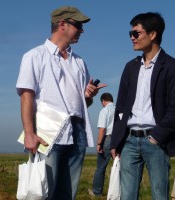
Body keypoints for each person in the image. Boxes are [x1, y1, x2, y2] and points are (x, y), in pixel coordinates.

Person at [16, 6, 106, 200]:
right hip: (48, 131)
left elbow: (83, 104)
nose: (82, 30)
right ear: (62, 24)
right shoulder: (34, 56)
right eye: (78, 25)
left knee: (68, 193)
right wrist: (29, 133)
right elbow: (26, 96)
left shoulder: (79, 62)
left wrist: (88, 97)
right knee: (43, 191)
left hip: (77, 129)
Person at [110, 12, 175, 200]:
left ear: (152, 34)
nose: (131, 37)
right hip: (129, 141)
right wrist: (116, 141)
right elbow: (120, 107)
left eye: (136, 33)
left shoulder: (173, 66)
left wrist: (157, 136)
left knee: (159, 196)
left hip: (157, 141)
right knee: (127, 196)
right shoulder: (130, 67)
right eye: (130, 33)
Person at [88, 93, 115, 197]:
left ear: (103, 101)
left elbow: (102, 129)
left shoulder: (105, 110)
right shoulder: (118, 109)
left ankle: (97, 192)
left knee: (101, 168)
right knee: (119, 166)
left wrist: (99, 143)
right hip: (119, 139)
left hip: (107, 139)